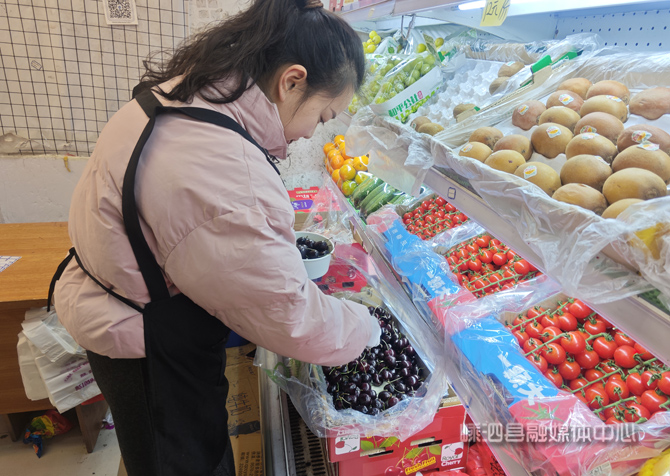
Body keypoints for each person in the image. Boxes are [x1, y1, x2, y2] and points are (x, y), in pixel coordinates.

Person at [50, 0, 381, 474]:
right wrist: (365, 327)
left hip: (119, 308)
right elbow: (289, 316)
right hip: (147, 346)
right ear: (292, 81)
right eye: (324, 116)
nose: (313, 134)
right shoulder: (226, 172)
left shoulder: (186, 95)